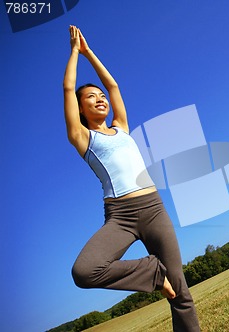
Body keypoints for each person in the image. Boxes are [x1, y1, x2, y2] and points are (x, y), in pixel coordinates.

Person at [63, 25, 200, 331]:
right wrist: (74, 52)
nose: (100, 99)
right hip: (120, 217)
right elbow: (67, 89)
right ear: (80, 109)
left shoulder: (121, 126)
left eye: (101, 97)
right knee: (83, 272)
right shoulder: (82, 138)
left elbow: (113, 86)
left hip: (153, 209)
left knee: (180, 290)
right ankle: (153, 272)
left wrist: (89, 53)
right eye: (91, 98)